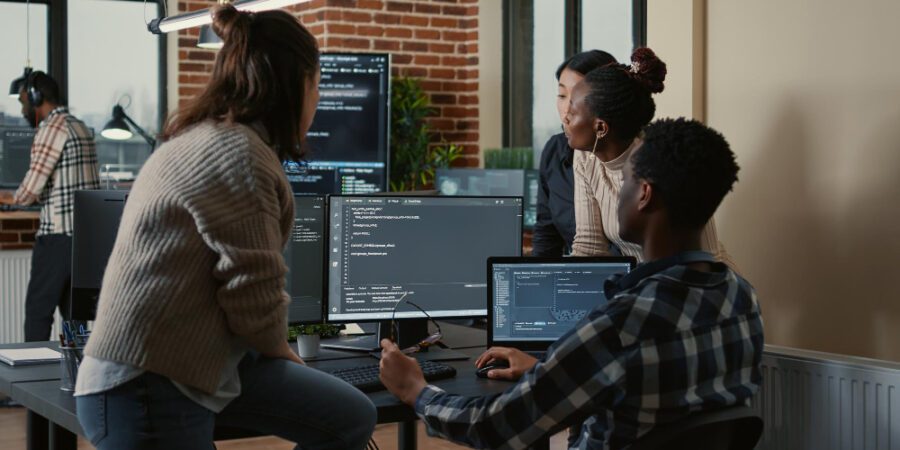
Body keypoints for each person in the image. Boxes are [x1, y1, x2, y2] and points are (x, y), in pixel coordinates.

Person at [74, 6, 376, 449]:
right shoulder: (239, 155)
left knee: (349, 414)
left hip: (189, 366)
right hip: (145, 383)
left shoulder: (214, 138)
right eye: (317, 84)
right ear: (294, 85)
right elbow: (253, 291)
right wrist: (289, 356)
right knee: (348, 416)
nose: (318, 98)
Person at [379, 118, 764, 449]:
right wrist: (545, 367)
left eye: (626, 181)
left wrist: (416, 391)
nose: (618, 193)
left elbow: (495, 425)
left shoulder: (623, 323)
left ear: (644, 194)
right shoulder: (741, 298)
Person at [567, 48, 735, 267]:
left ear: (601, 127)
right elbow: (589, 248)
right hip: (646, 282)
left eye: (572, 108)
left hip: (696, 283)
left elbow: (707, 255)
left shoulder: (662, 161)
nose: (565, 116)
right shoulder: (585, 158)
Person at [0, 70, 99, 341]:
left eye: (23, 102)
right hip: (83, 239)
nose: (22, 109)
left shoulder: (52, 129)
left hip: (57, 238)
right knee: (74, 315)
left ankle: (32, 374)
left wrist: (8, 198)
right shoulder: (80, 127)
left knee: (38, 312)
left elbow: (30, 190)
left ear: (36, 97)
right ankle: (76, 374)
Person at [532, 50, 617, 257]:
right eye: (562, 95)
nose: (566, 110)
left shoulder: (636, 158)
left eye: (577, 97)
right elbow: (547, 232)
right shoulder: (557, 150)